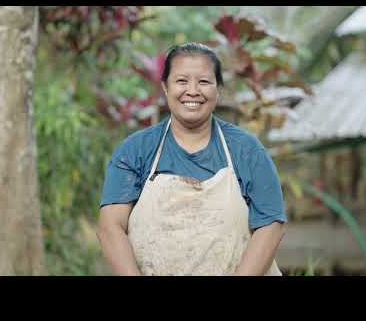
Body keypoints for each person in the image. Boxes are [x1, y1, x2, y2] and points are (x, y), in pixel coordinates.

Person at [97, 42, 287, 276]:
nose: (193, 91)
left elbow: (271, 226)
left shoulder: (247, 150)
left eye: (204, 82)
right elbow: (110, 227)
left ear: (218, 90)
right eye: (181, 81)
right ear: (165, 88)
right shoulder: (135, 150)